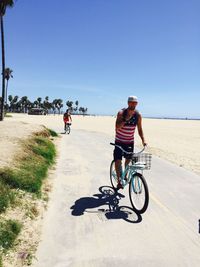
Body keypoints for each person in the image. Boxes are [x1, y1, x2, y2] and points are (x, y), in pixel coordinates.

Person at [113, 96, 147, 189]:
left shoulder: (138, 115)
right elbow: (117, 127)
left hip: (129, 142)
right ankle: (119, 180)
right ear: (128, 103)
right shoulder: (121, 113)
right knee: (118, 160)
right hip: (119, 141)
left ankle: (125, 175)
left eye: (135, 103)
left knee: (128, 161)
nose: (133, 104)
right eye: (132, 102)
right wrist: (125, 119)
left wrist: (143, 140)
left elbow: (139, 129)